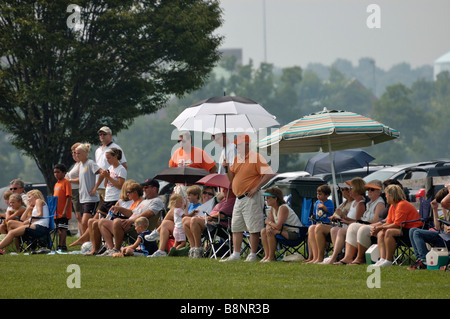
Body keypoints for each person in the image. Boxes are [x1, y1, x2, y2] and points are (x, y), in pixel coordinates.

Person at [221, 134, 275, 262]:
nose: (236, 147)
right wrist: (226, 168)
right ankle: (236, 254)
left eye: (239, 145)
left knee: (253, 227)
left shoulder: (255, 157)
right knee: (236, 227)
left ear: (246, 144)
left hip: (251, 196)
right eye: (236, 145)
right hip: (238, 198)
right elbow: (231, 179)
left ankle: (253, 254)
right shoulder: (236, 159)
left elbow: (269, 174)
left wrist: (256, 188)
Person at [99, 179, 164, 256]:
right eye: (143, 187)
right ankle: (110, 249)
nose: (144, 190)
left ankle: (116, 249)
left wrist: (132, 220)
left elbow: (149, 213)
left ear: (154, 189)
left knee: (117, 221)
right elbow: (132, 213)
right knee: (102, 222)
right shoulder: (145, 201)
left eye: (146, 187)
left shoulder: (157, 201)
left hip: (139, 227)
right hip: (130, 225)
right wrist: (119, 208)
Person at [69, 179, 136, 249]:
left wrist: (120, 210)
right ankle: (94, 247)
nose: (128, 193)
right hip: (114, 220)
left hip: (123, 224)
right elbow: (112, 214)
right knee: (91, 221)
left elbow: (132, 214)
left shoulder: (135, 201)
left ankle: (109, 247)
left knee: (100, 221)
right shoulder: (120, 201)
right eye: (128, 191)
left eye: (131, 191)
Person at [334, 180, 386, 265]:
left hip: (374, 227)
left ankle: (360, 258)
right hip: (366, 225)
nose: (369, 191)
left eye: (372, 189)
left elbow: (376, 220)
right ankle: (348, 257)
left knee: (362, 228)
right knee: (352, 226)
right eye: (368, 189)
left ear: (379, 192)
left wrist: (362, 223)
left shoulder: (379, 203)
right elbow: (361, 219)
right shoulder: (370, 203)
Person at [370, 184, 423, 266]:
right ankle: (382, 259)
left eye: (386, 194)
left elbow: (397, 225)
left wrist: (380, 227)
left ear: (391, 195)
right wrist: (379, 228)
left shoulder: (402, 204)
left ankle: (388, 260)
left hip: (412, 231)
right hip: (403, 229)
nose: (385, 197)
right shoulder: (393, 205)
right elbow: (389, 222)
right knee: (381, 232)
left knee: (389, 232)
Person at [183, 187, 236, 258]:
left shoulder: (231, 200)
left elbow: (222, 215)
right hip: (211, 221)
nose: (224, 191)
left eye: (226, 189)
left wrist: (206, 218)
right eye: (224, 189)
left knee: (194, 220)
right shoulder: (224, 200)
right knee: (185, 220)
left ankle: (198, 249)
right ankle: (193, 249)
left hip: (219, 225)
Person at [152, 185, 202, 257]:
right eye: (187, 195)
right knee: (166, 223)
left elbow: (189, 218)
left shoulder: (200, 206)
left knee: (173, 211)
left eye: (189, 195)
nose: (188, 197)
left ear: (196, 195)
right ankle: (161, 251)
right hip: (181, 227)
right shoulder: (190, 205)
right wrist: (186, 207)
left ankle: (157, 232)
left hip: (188, 228)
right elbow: (186, 215)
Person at [408, 186, 450, 270]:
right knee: (412, 230)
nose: (442, 205)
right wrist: (434, 209)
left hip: (445, 238)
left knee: (417, 233)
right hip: (443, 235)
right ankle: (419, 259)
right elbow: (437, 227)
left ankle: (424, 260)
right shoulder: (448, 212)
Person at [313, 183, 353, 264]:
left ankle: (322, 257)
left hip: (341, 226)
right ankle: (314, 257)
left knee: (319, 227)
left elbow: (351, 218)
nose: (341, 192)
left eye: (343, 190)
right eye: (341, 190)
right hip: (336, 224)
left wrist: (341, 216)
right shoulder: (344, 203)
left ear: (349, 191)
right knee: (311, 228)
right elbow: (334, 214)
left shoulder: (354, 203)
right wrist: (334, 216)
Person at [0, 190, 49, 255]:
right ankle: (15, 248)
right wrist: (28, 209)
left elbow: (40, 214)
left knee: (12, 232)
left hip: (40, 227)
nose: (28, 200)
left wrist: (28, 221)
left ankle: (9, 246)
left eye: (29, 197)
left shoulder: (38, 200)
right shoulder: (34, 207)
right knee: (10, 223)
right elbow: (22, 219)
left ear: (35, 195)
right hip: (34, 225)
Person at [260, 187, 302, 262]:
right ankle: (266, 256)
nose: (266, 200)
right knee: (264, 231)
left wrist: (268, 223)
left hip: (294, 233)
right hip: (283, 231)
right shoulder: (273, 208)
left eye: (268, 198)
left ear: (275, 198)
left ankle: (271, 257)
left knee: (270, 231)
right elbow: (271, 222)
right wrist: (268, 226)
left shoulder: (283, 208)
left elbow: (277, 226)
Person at [95, 126, 128, 207]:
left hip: (111, 188)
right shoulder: (98, 150)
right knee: (98, 213)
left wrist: (116, 181)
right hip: (100, 185)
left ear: (110, 135)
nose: (102, 136)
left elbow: (124, 166)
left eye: (104, 134)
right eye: (100, 134)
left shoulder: (115, 148)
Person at [75, 143, 103, 234]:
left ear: (86, 153)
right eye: (76, 153)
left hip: (91, 199)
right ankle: (86, 244)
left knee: (85, 222)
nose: (77, 155)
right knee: (83, 223)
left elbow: (102, 173)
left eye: (79, 153)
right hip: (82, 198)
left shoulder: (90, 163)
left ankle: (91, 243)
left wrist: (95, 188)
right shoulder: (80, 165)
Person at [92, 148, 127, 217]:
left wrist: (108, 177)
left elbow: (120, 186)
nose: (107, 160)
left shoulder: (121, 169)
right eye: (106, 158)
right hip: (107, 198)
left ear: (115, 157)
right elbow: (106, 185)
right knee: (93, 221)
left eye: (109, 158)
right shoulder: (110, 168)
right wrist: (106, 176)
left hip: (115, 199)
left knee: (105, 221)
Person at [305, 184, 335, 263]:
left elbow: (331, 212)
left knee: (317, 227)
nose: (318, 196)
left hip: (327, 224)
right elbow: (316, 212)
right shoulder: (317, 203)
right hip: (318, 222)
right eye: (317, 194)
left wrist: (323, 207)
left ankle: (319, 257)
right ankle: (314, 257)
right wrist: (313, 216)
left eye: (320, 194)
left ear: (327, 195)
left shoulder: (329, 202)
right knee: (311, 228)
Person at [53, 163, 72, 252]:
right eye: (55, 172)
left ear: (64, 173)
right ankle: (61, 245)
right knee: (59, 229)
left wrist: (65, 210)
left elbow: (69, 197)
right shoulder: (56, 184)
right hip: (57, 212)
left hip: (63, 211)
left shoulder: (66, 182)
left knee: (62, 229)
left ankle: (62, 245)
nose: (56, 174)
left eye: (58, 172)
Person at [66, 142, 82, 237]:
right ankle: (80, 233)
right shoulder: (76, 164)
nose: (73, 154)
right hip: (73, 191)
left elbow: (81, 179)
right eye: (72, 152)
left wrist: (70, 180)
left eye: (75, 152)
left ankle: (82, 234)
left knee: (79, 215)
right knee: (77, 215)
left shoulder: (81, 164)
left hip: (77, 191)